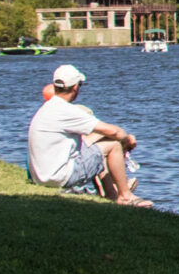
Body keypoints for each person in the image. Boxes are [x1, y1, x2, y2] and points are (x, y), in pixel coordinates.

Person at [27, 64, 153, 208]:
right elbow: (114, 132)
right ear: (75, 87)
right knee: (113, 145)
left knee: (100, 147)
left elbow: (96, 136)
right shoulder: (66, 110)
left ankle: (111, 195)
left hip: (41, 176)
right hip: (58, 178)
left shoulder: (47, 108)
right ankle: (125, 196)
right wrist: (127, 139)